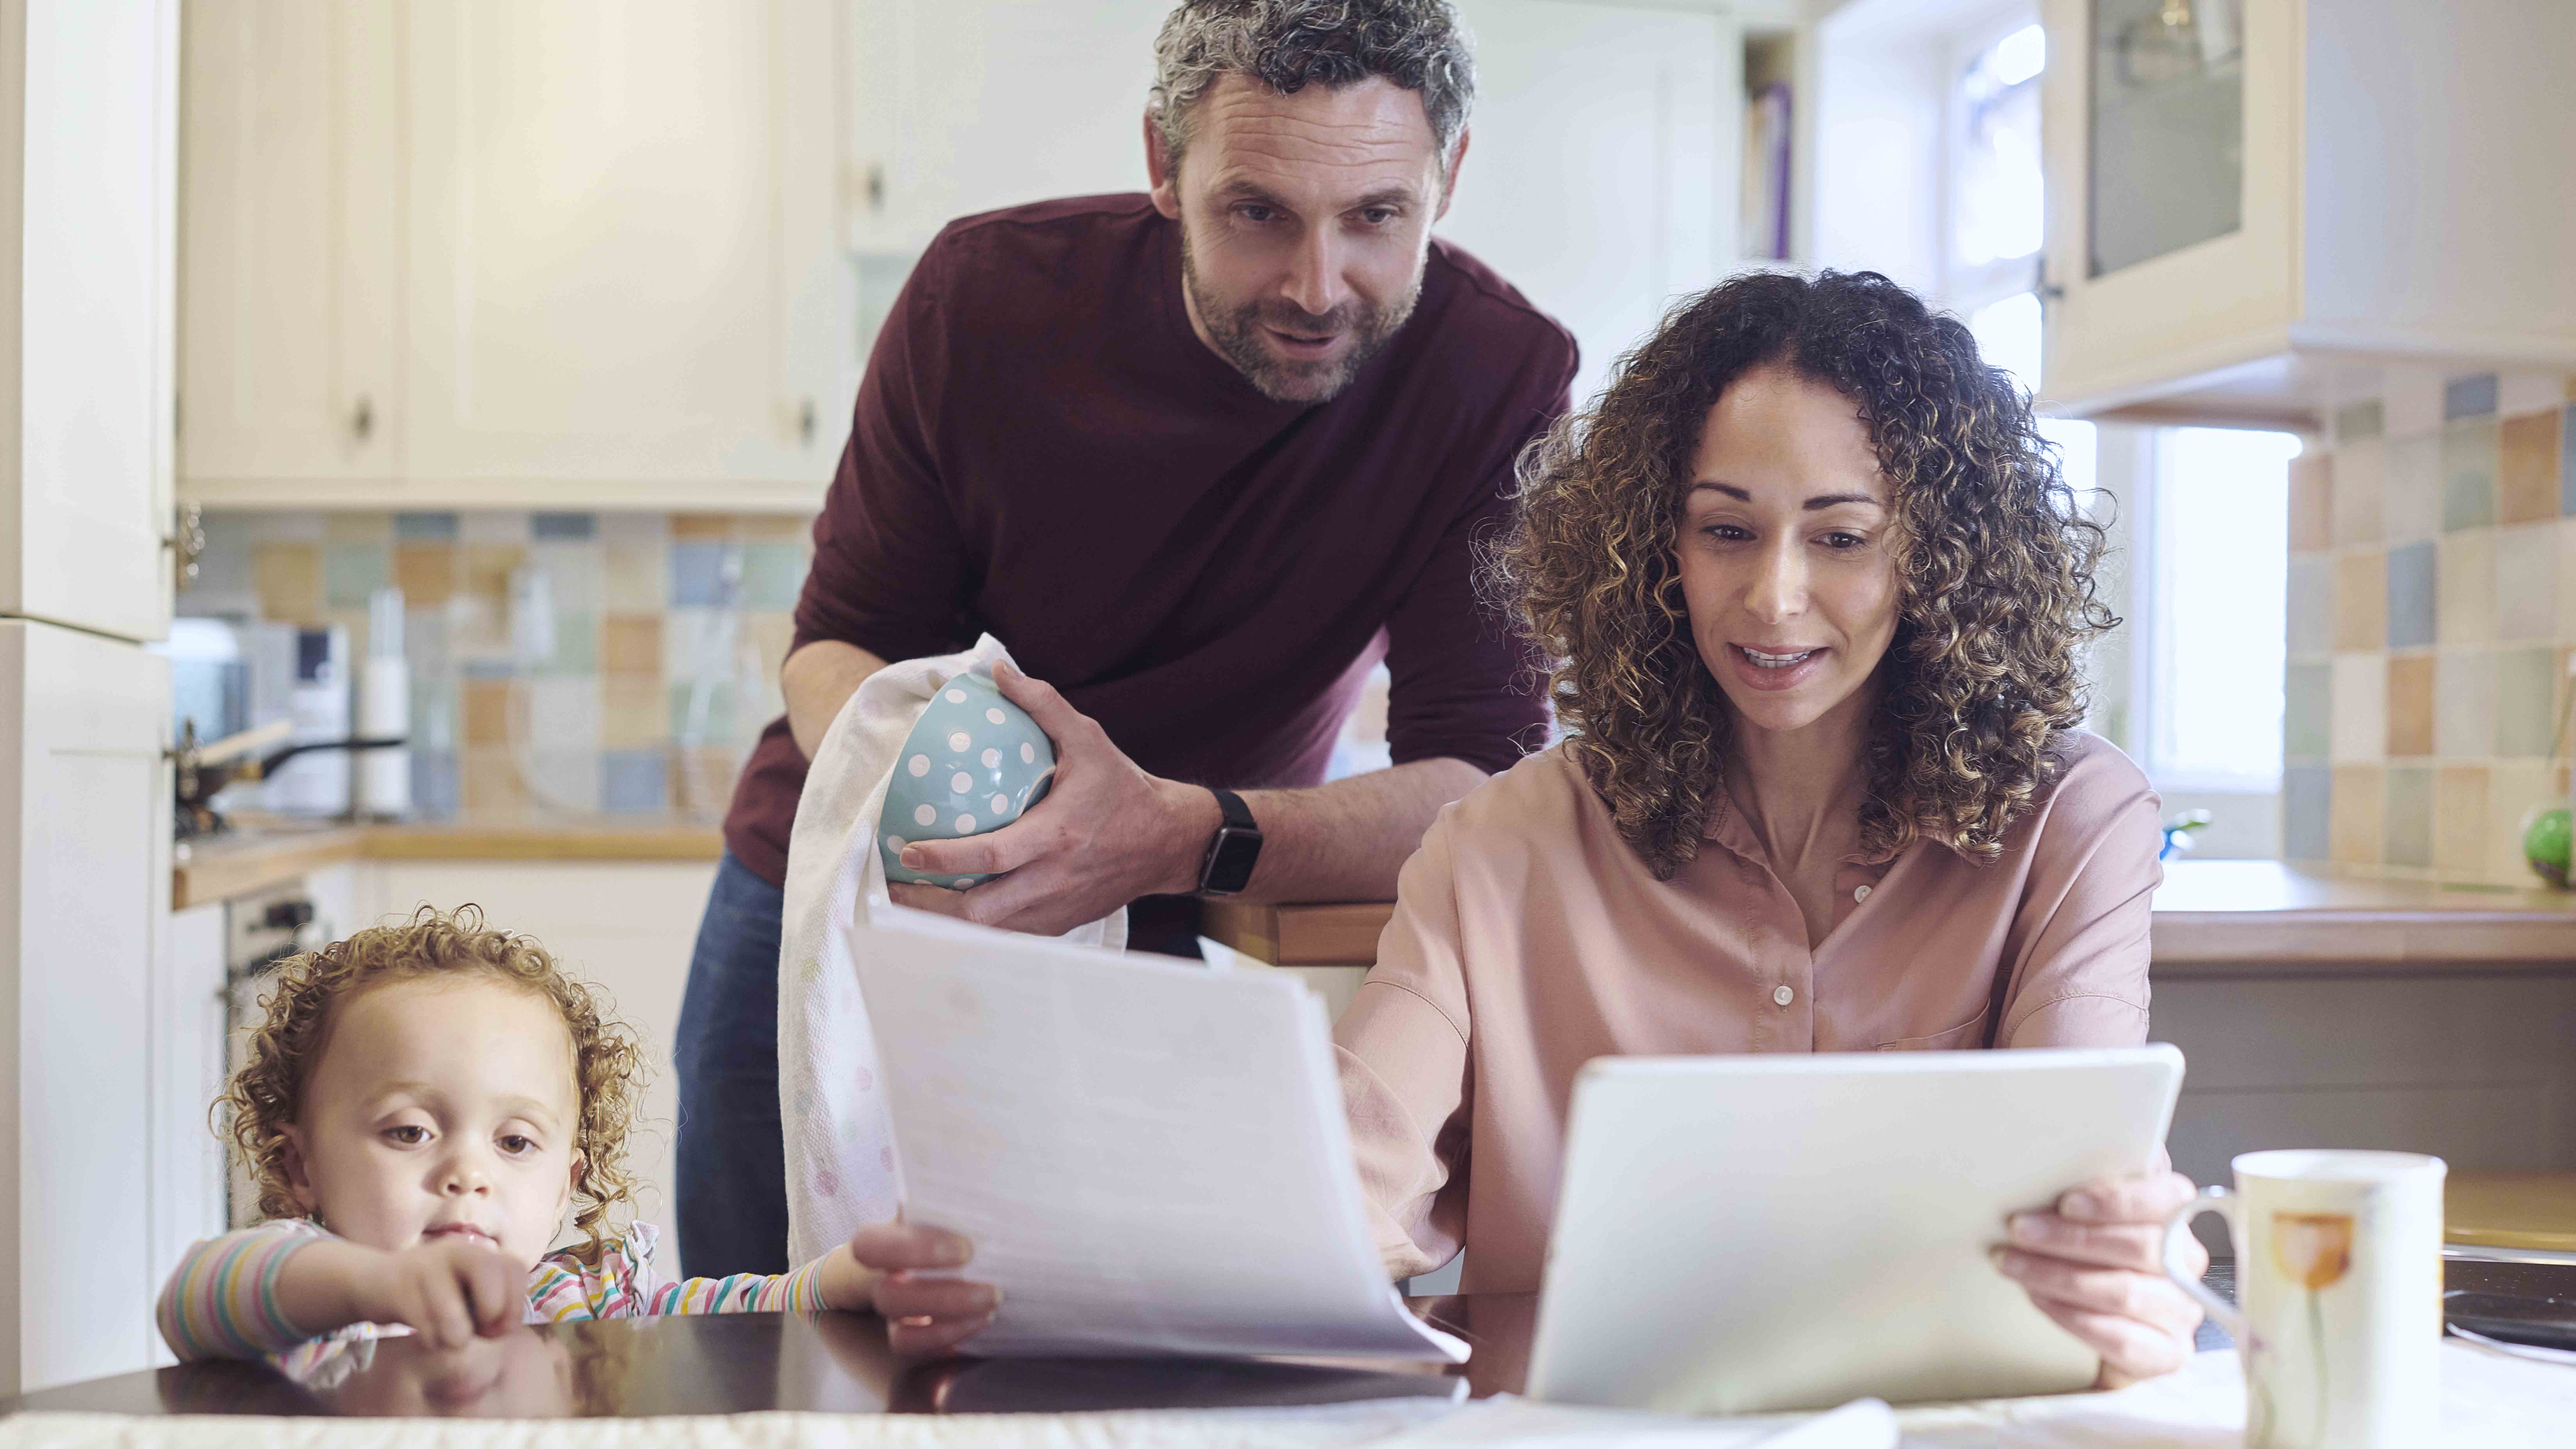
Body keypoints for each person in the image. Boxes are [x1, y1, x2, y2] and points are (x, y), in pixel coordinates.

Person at [844, 270, 2211, 1390]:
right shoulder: (1503, 844)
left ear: (1935, 553)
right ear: (1652, 550)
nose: (1774, 596)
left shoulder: (2067, 822)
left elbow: (2085, 1199)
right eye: (1723, 529)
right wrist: (1038, 1252)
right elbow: (1335, 1184)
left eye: (1841, 536)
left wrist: (2134, 1283)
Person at [679, 0, 1576, 1275]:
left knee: (1098, 1361)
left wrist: (1168, 835)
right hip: (842, 892)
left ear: (1451, 174)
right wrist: (976, 822)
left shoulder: (1498, 378)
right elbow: (836, 654)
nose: (1320, 288)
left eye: (1378, 216)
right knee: (761, 1355)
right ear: (1163, 163)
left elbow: (1476, 784)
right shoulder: (982, 300)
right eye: (1257, 212)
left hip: (1170, 914)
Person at [156, 909, 880, 1371]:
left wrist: (829, 1285)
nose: (468, 1173)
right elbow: (191, 1299)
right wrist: (373, 1285)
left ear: (567, 1183)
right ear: (300, 1166)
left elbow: (717, 1320)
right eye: (410, 1131)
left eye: (515, 1143)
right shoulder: (313, 1309)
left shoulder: (578, 1304)